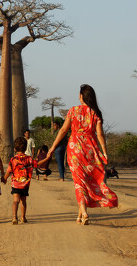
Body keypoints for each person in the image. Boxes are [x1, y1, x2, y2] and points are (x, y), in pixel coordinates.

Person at [40, 84, 117, 224]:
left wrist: (52, 147)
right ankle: (79, 215)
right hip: (90, 149)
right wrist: (104, 151)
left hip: (74, 149)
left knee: (79, 182)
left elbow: (63, 130)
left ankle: (84, 212)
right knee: (86, 181)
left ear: (81, 96)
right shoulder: (95, 113)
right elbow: (100, 134)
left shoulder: (73, 111)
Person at [4, 136, 38, 224]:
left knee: (16, 200)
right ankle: (23, 217)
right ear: (26, 147)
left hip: (16, 184)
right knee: (23, 200)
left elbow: (9, 171)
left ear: (15, 148)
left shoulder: (13, 159)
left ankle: (14, 217)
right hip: (25, 184)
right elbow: (36, 164)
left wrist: (4, 179)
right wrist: (47, 158)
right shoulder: (29, 158)